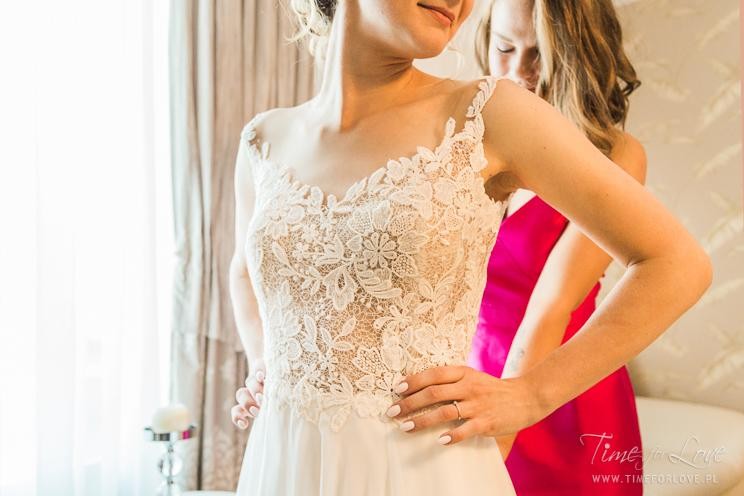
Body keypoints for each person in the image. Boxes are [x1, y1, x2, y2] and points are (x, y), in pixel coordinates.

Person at [228, 0, 713, 494]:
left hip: (422, 465)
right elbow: (244, 270)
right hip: (284, 458)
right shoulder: (264, 140)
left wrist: (530, 395)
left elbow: (677, 264)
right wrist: (265, 363)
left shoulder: (488, 114)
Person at [468, 0, 646, 493]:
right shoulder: (465, 142)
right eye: (505, 49)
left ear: (577, 58)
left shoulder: (616, 156)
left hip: (565, 400)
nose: (518, 75)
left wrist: (495, 443)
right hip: (475, 380)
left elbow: (551, 308)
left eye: (540, 57)